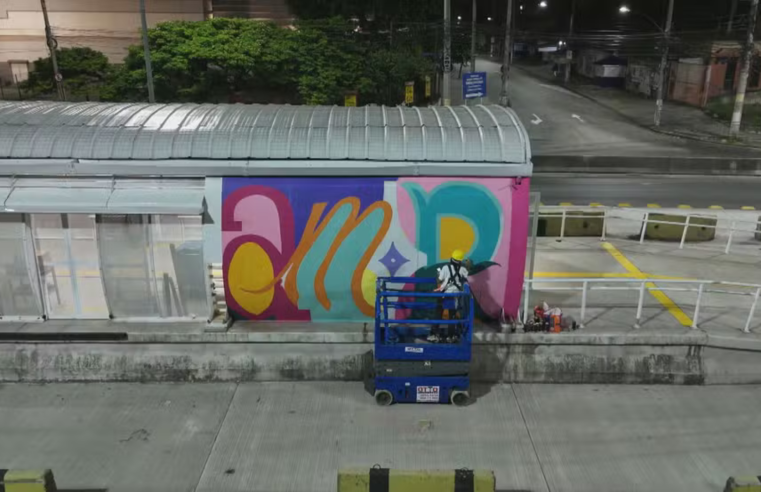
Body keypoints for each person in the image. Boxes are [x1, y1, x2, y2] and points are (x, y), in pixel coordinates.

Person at [428, 250, 470, 342]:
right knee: (452, 315)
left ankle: (434, 334)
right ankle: (450, 336)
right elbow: (467, 277)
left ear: (452, 258)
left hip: (445, 294)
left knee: (438, 313)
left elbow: (439, 279)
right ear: (460, 260)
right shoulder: (463, 269)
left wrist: (439, 276)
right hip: (456, 295)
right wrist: (468, 266)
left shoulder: (445, 268)